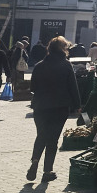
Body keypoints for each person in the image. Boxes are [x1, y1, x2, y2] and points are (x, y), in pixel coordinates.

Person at [27, 36, 81, 182]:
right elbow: (73, 87)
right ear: (63, 49)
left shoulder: (39, 65)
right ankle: (47, 171)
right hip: (59, 106)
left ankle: (35, 160)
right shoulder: (66, 65)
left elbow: (32, 88)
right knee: (53, 139)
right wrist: (77, 105)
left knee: (42, 135)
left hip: (40, 106)